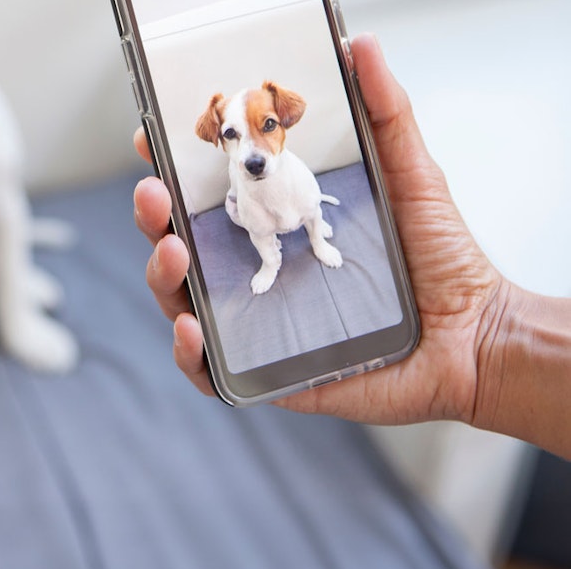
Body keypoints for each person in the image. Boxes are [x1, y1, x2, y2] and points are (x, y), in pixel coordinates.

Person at [133, 34, 571, 461]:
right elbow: (257, 228)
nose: (252, 152)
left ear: (283, 121)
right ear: (219, 138)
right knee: (252, 226)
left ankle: (318, 242)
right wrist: (269, 263)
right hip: (250, 209)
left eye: (267, 126)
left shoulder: (301, 179)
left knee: (311, 214)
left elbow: (310, 214)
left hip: (301, 201)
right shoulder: (240, 184)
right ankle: (272, 262)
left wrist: (318, 238)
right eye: (232, 135)